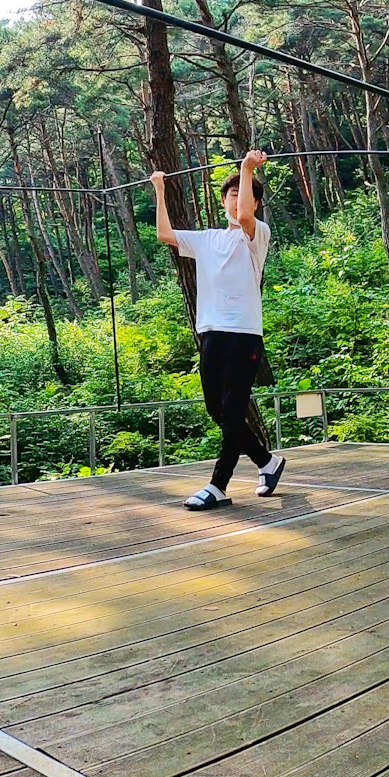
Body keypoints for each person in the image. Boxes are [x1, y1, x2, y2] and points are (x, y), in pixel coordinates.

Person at [152, 149, 287, 510]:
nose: (236, 200)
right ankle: (267, 462)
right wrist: (160, 190)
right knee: (218, 410)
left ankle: (218, 485)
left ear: (255, 203)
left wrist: (246, 168)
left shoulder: (256, 235)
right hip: (210, 332)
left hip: (243, 333)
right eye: (230, 194)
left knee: (233, 408)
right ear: (222, 200)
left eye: (243, 194)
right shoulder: (207, 238)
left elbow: (243, 216)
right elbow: (164, 234)